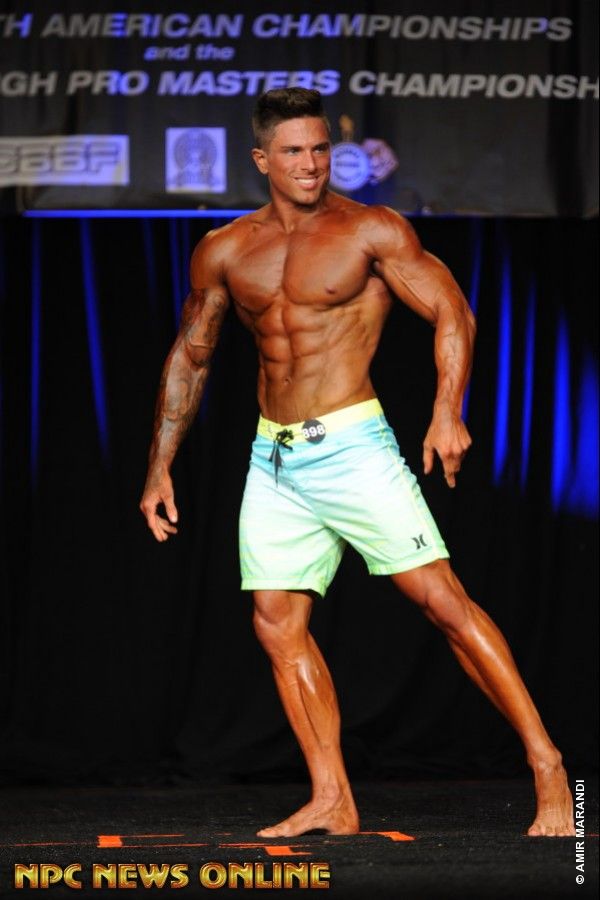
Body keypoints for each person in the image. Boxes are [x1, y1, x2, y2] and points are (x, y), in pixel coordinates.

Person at [140, 88, 575, 838]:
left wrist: (447, 411)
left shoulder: (371, 230)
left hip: (352, 444)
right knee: (275, 624)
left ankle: (547, 763)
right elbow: (193, 355)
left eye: (320, 149)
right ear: (262, 159)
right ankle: (332, 797)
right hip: (274, 456)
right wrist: (159, 465)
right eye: (294, 152)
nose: (310, 164)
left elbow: (452, 311)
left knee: (442, 603)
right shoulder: (225, 248)